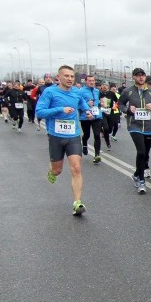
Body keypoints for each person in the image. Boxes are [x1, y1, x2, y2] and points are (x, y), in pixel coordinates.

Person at [35, 65, 92, 215]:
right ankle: (52, 171)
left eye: (72, 76)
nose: (70, 79)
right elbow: (39, 112)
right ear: (59, 77)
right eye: (66, 76)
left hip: (73, 135)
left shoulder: (76, 92)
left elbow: (81, 102)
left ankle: (77, 202)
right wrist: (60, 110)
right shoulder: (49, 92)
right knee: (58, 170)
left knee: (76, 168)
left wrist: (87, 110)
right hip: (56, 136)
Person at [118, 68, 151, 194]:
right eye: (138, 75)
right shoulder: (128, 91)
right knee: (141, 151)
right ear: (133, 77)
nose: (141, 78)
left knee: (144, 154)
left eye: (143, 75)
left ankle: (136, 174)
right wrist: (128, 109)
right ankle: (141, 180)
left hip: (149, 127)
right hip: (135, 126)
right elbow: (120, 104)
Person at [78, 74, 104, 163]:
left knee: (97, 135)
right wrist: (86, 104)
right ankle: (84, 144)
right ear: (86, 81)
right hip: (85, 117)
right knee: (87, 134)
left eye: (93, 81)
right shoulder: (80, 91)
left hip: (97, 116)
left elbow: (98, 102)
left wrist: (101, 104)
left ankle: (97, 155)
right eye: (90, 81)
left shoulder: (97, 91)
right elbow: (78, 104)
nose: (92, 82)